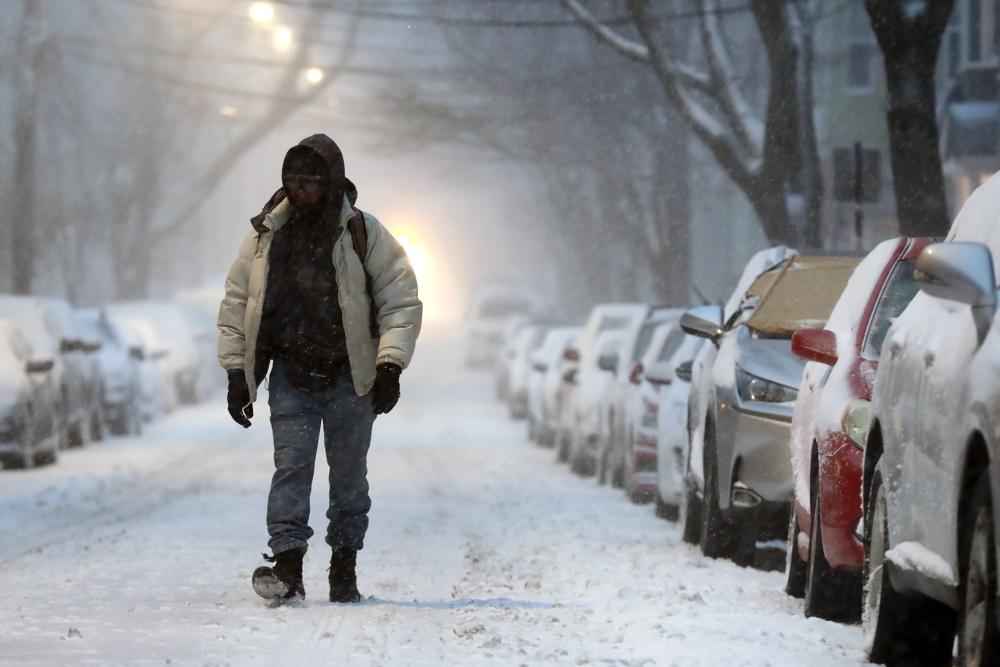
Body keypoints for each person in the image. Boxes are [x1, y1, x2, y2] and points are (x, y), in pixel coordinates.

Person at [217, 133, 422, 604]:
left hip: (351, 379)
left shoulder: (361, 233)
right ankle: (287, 566)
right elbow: (237, 303)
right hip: (291, 375)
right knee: (291, 470)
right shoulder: (266, 235)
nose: (301, 186)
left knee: (349, 476)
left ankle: (344, 564)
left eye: (312, 176)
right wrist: (236, 373)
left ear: (332, 179)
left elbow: (400, 300)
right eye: (293, 176)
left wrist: (389, 365)